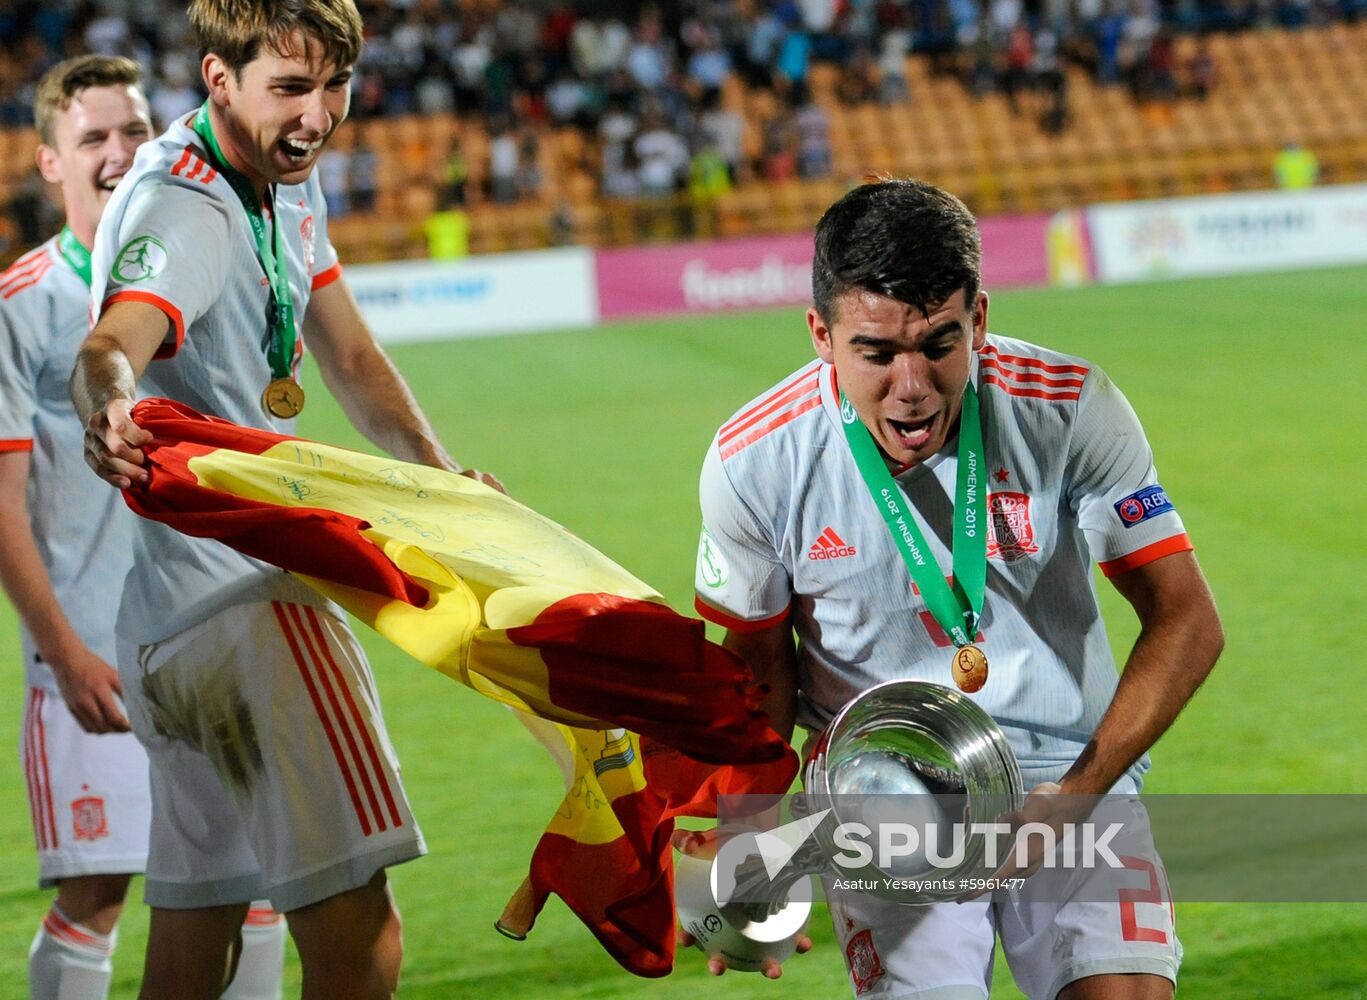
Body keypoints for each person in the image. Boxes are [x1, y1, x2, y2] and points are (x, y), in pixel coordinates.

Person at [693, 178, 1223, 999]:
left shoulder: (1071, 407)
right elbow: (758, 667)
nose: (911, 385)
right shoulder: (754, 460)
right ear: (820, 335)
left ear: (978, 318)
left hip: (1063, 771)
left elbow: (1187, 618)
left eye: (938, 343)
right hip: (880, 795)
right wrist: (751, 838)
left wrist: (1080, 794)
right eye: (875, 352)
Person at [69, 3, 498, 997]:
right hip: (253, 611)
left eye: (335, 85)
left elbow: (346, 351)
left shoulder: (272, 179)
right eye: (291, 89)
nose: (319, 115)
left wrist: (438, 476)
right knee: (360, 937)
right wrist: (109, 407)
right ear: (221, 80)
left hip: (165, 629)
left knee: (193, 937)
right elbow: (107, 348)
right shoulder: (191, 204)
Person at [0, 54, 286, 1000]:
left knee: (260, 892)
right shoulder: (23, 305)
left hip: (212, 624)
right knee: (98, 893)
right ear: (49, 162)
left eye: (134, 131)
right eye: (93, 138)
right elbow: (2, 505)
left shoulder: (185, 267)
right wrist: (64, 656)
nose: (120, 153)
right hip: (93, 659)